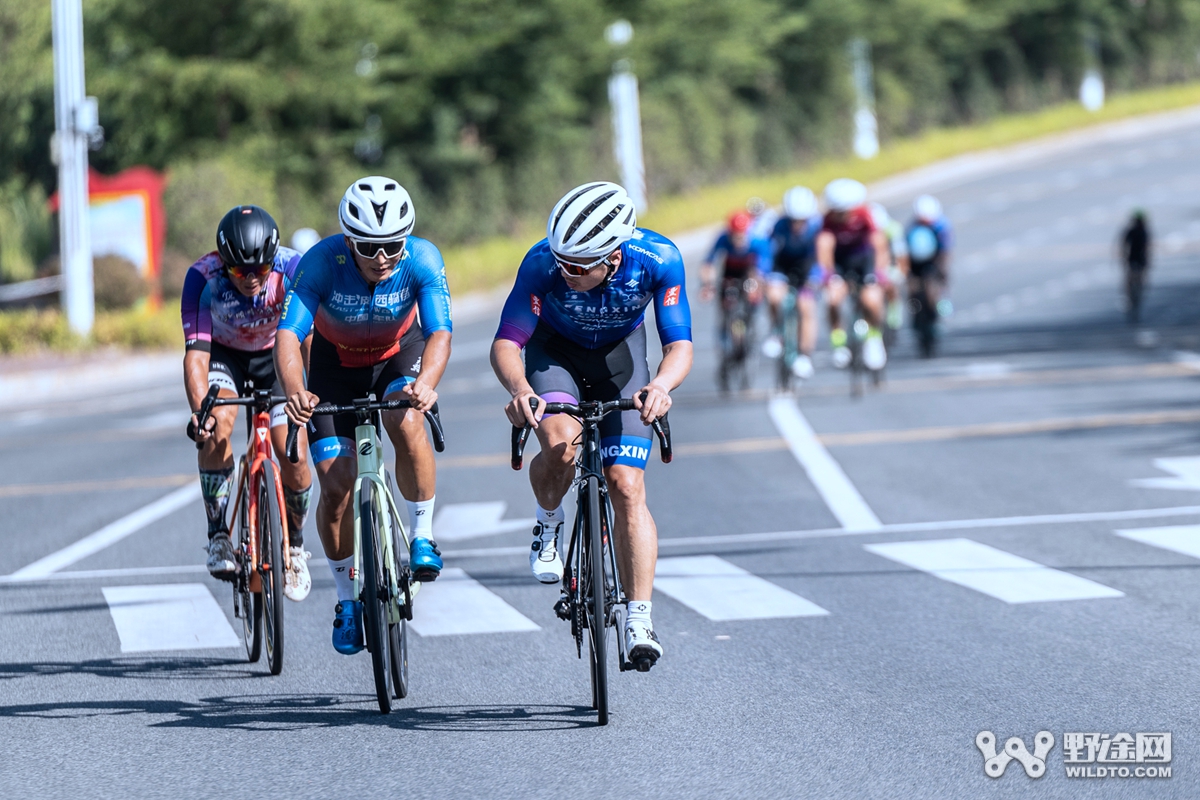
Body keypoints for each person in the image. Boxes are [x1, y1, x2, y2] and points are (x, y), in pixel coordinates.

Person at [491, 181, 693, 670]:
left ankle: (638, 618)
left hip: (620, 358)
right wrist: (521, 390)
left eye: (578, 266)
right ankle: (548, 520)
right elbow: (506, 342)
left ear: (615, 255)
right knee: (561, 446)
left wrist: (662, 387)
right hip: (552, 355)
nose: (567, 272)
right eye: (562, 260)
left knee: (626, 484)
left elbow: (678, 344)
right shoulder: (542, 263)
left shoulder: (658, 258)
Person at [275, 176, 452, 655]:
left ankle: (422, 537)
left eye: (392, 245)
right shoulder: (320, 264)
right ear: (349, 240)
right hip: (334, 368)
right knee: (335, 485)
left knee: (406, 420)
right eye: (370, 247)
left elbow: (438, 332)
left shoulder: (422, 259)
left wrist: (426, 385)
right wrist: (295, 392)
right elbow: (289, 336)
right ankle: (346, 601)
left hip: (399, 356)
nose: (382, 257)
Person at [181, 205, 314, 601]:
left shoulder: (294, 269)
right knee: (217, 424)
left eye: (261, 269)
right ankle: (219, 534)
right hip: (226, 355)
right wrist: (200, 412)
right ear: (224, 264)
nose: (253, 279)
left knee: (293, 451)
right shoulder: (201, 278)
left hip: (277, 356)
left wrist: (314, 393)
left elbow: (308, 342)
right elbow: (196, 356)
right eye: (241, 271)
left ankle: (295, 544)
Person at [815, 179, 889, 370]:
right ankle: (838, 343)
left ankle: (874, 338)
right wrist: (828, 275)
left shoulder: (865, 214)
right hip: (841, 262)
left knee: (871, 299)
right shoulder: (827, 219)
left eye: (845, 211)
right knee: (832, 299)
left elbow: (879, 244)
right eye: (837, 212)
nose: (841, 216)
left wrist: (879, 272)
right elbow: (824, 247)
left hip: (864, 260)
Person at [762, 186, 823, 379]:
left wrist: (817, 278)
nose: (797, 224)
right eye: (794, 220)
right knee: (773, 295)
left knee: (806, 307)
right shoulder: (778, 225)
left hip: (807, 268)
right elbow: (766, 253)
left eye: (802, 220)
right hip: (782, 267)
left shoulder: (818, 227)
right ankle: (776, 333)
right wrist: (763, 274)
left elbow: (822, 257)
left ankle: (804, 355)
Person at [905, 194, 954, 355]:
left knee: (933, 293)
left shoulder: (941, 227)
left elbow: (945, 252)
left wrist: (942, 273)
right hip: (915, 265)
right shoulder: (912, 228)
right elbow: (904, 253)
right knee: (913, 293)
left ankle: (937, 314)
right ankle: (916, 319)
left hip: (933, 264)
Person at [867, 202, 909, 337]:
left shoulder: (893, 229)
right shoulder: (865, 231)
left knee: (891, 284)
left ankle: (893, 311)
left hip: (890, 263)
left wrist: (900, 273)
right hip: (869, 264)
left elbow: (900, 254)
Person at [1120, 209, 1151, 323]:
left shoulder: (1143, 231)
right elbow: (1124, 245)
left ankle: (1136, 299)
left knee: (1139, 281)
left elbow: (1147, 247)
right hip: (1132, 260)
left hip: (1139, 260)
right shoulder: (1132, 231)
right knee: (1130, 281)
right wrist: (1124, 257)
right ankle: (1130, 298)